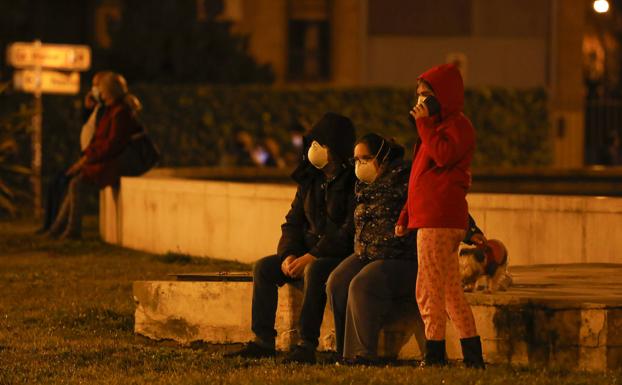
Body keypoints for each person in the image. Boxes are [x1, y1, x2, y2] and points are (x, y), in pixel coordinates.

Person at [327, 133, 485, 365]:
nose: (360, 165)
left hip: (403, 257)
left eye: (366, 158)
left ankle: (362, 354)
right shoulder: (362, 184)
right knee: (336, 282)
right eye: (356, 160)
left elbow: (438, 202)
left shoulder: (406, 177)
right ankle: (344, 351)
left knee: (362, 284)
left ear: (382, 156)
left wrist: (471, 230)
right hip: (368, 253)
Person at [225, 112, 357, 364]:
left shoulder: (352, 182)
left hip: (333, 255)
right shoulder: (310, 179)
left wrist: (313, 255)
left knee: (315, 270)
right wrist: (288, 255)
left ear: (336, 148)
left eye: (321, 144)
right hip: (304, 252)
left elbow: (347, 231)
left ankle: (306, 345)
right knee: (264, 268)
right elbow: (292, 223)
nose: (313, 148)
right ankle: (263, 341)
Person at [395, 63, 484, 368]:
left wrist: (424, 125)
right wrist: (406, 215)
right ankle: (473, 357)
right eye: (418, 95)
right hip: (431, 219)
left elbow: (444, 156)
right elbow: (419, 178)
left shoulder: (456, 126)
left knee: (428, 290)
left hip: (439, 221)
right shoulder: (432, 130)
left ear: (442, 97)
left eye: (427, 96)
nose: (420, 102)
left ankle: (434, 357)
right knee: (448, 291)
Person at [47, 72, 143, 239]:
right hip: (103, 160)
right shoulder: (112, 111)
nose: (97, 92)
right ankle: (59, 228)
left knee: (77, 183)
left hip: (112, 163)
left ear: (108, 91)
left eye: (100, 89)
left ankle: (71, 230)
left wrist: (87, 159)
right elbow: (99, 139)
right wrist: (86, 158)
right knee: (75, 182)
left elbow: (111, 144)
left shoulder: (119, 112)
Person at [37, 71, 107, 234]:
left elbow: (102, 140)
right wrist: (87, 108)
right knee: (57, 182)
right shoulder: (98, 108)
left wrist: (83, 162)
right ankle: (51, 226)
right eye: (93, 85)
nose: (94, 89)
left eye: (98, 85)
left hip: (92, 160)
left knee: (69, 182)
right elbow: (87, 126)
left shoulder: (108, 110)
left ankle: (64, 229)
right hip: (87, 158)